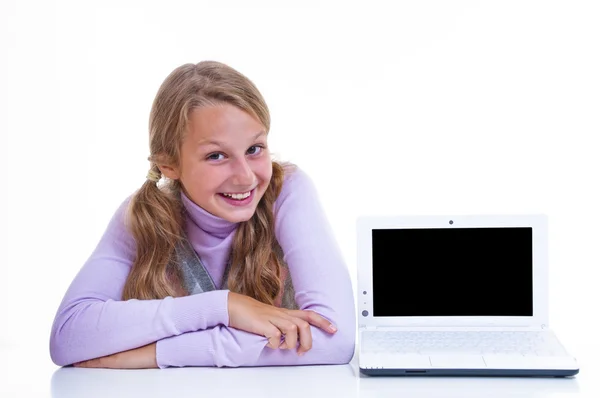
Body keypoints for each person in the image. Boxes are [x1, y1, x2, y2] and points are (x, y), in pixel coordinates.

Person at [49, 61, 356, 369]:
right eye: (216, 156)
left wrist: (158, 354)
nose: (246, 177)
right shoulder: (143, 216)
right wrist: (224, 306)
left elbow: (335, 339)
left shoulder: (287, 192)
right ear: (169, 164)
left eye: (254, 149)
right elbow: (68, 336)